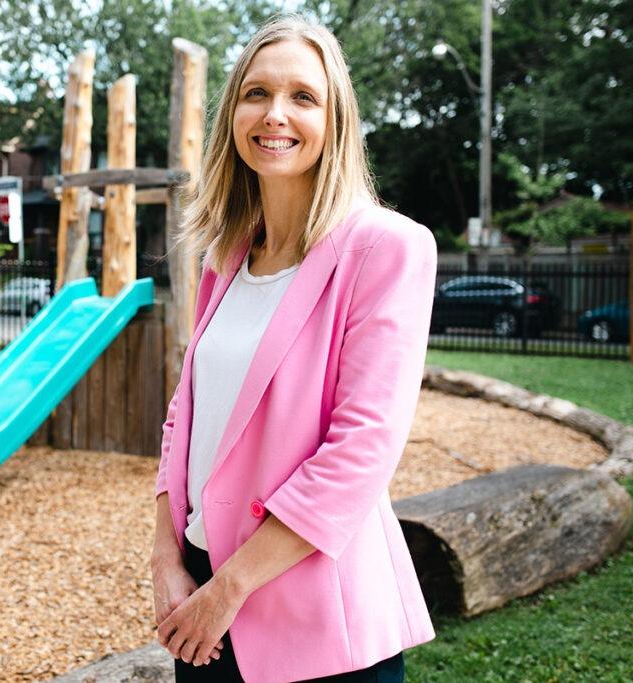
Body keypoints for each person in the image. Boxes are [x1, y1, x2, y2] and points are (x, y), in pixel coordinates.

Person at [149, 13, 438, 683]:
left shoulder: (388, 247)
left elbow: (362, 447)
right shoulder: (226, 255)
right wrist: (167, 559)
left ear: (333, 118)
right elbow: (184, 418)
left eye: (302, 96)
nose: (275, 113)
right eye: (256, 92)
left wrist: (228, 590)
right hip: (203, 614)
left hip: (312, 624)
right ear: (232, 114)